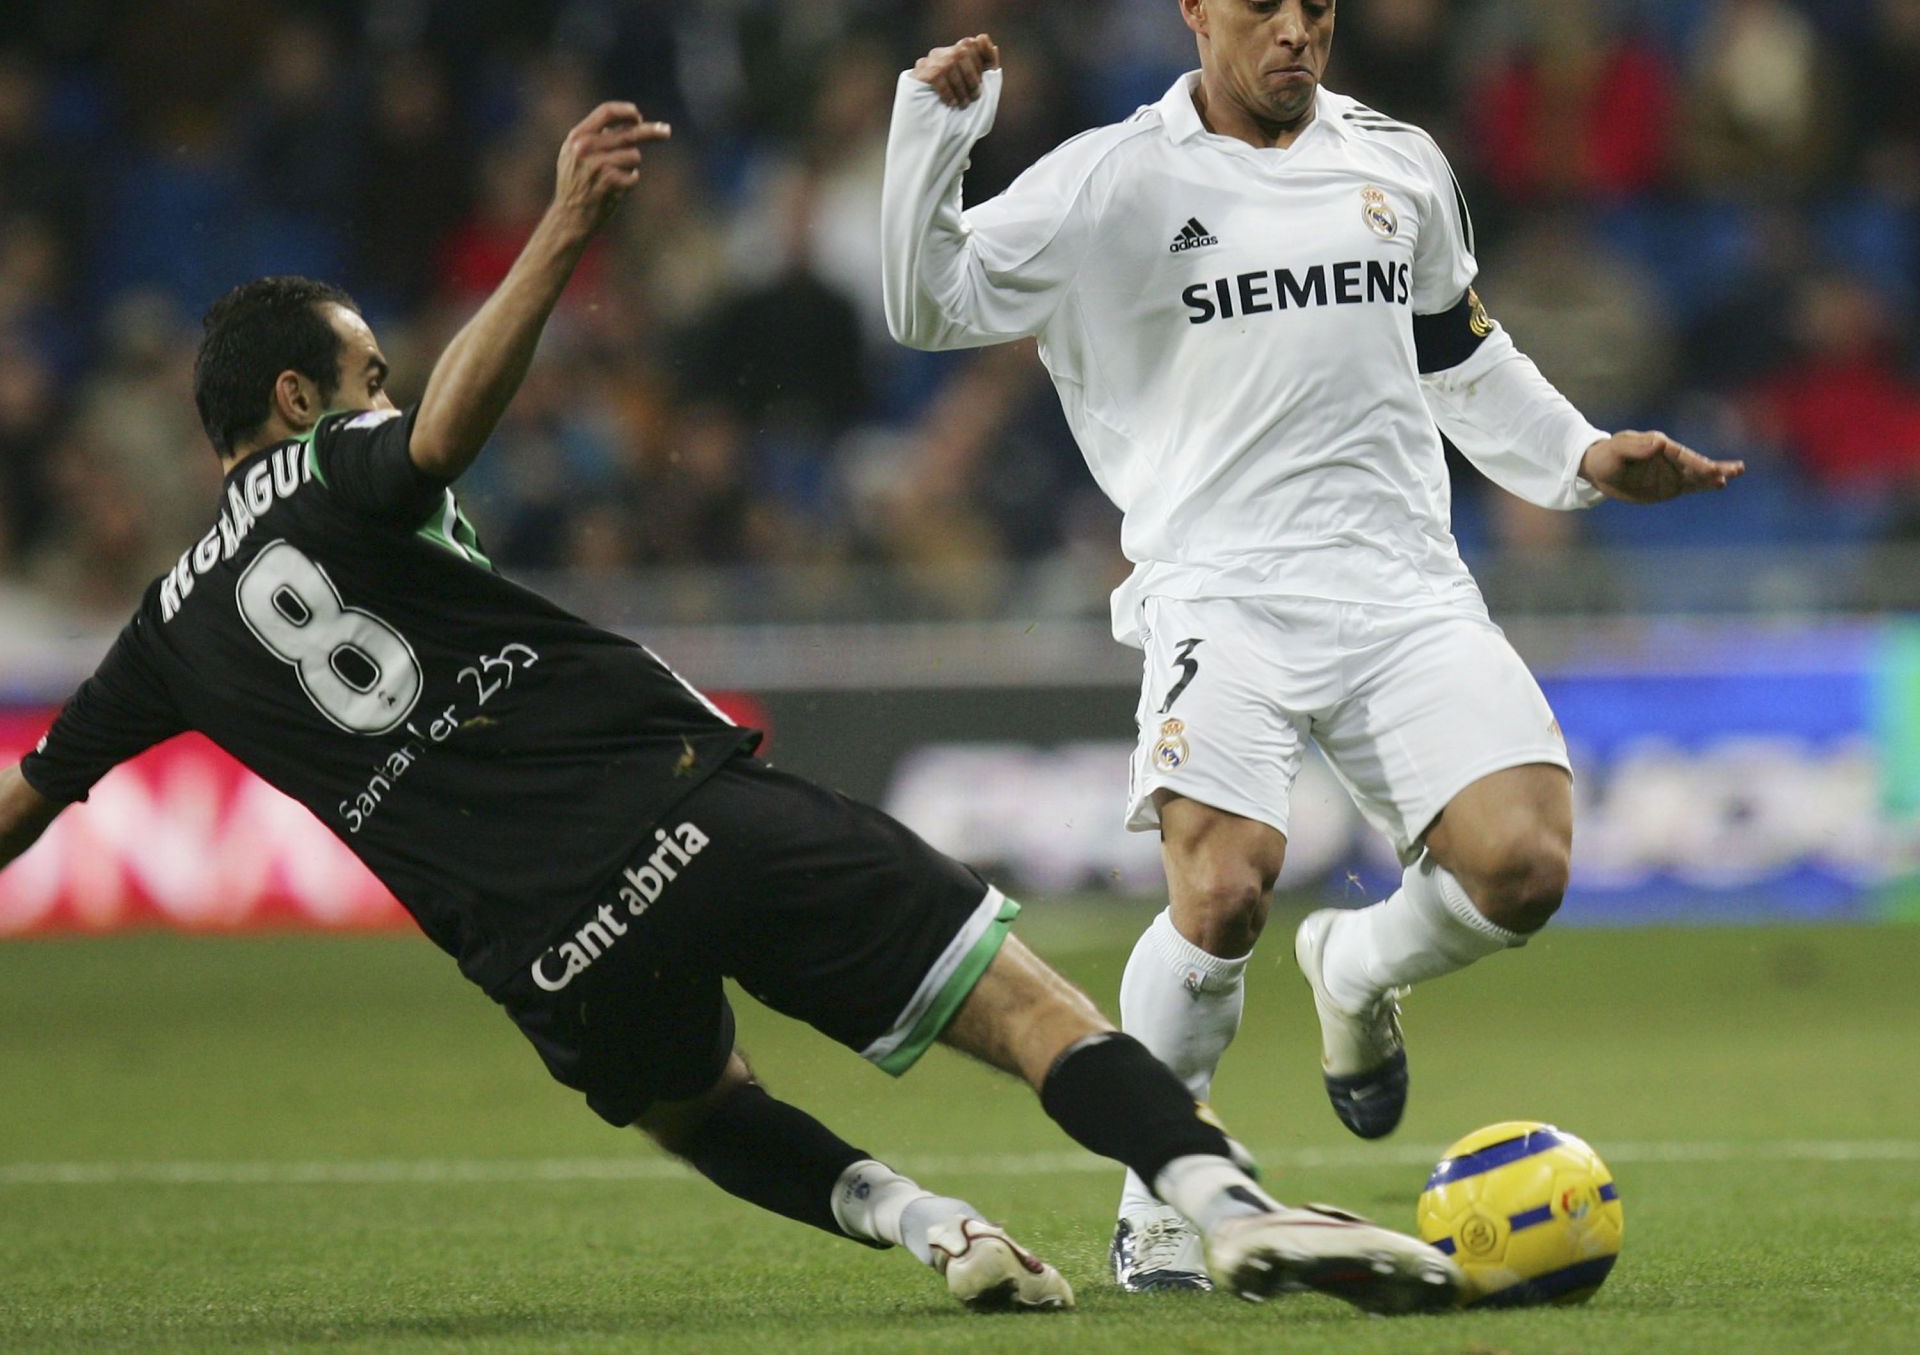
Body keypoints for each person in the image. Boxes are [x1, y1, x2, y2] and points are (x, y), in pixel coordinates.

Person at [0, 101, 1462, 1318]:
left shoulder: (164, 634)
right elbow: (438, 441)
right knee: (1027, 1010)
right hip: (679, 809)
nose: (384, 392)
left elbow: (25, 805)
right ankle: (1226, 1201)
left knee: (693, 1107)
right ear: (299, 398)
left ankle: (923, 1225)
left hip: (541, 946)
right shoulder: (335, 467)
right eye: (365, 374)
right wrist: (564, 228)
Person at [880, 0, 1742, 1294]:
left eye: (1320, 4)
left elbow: (1462, 356)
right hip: (1219, 587)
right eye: (1267, 1)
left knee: (1525, 869)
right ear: (1194, 8)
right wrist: (935, 138)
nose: (1298, 30)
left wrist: (1581, 457)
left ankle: (1352, 972)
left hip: (1404, 582)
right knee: (1218, 896)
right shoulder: (1110, 183)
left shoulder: (1397, 165)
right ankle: (1166, 1188)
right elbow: (927, 305)